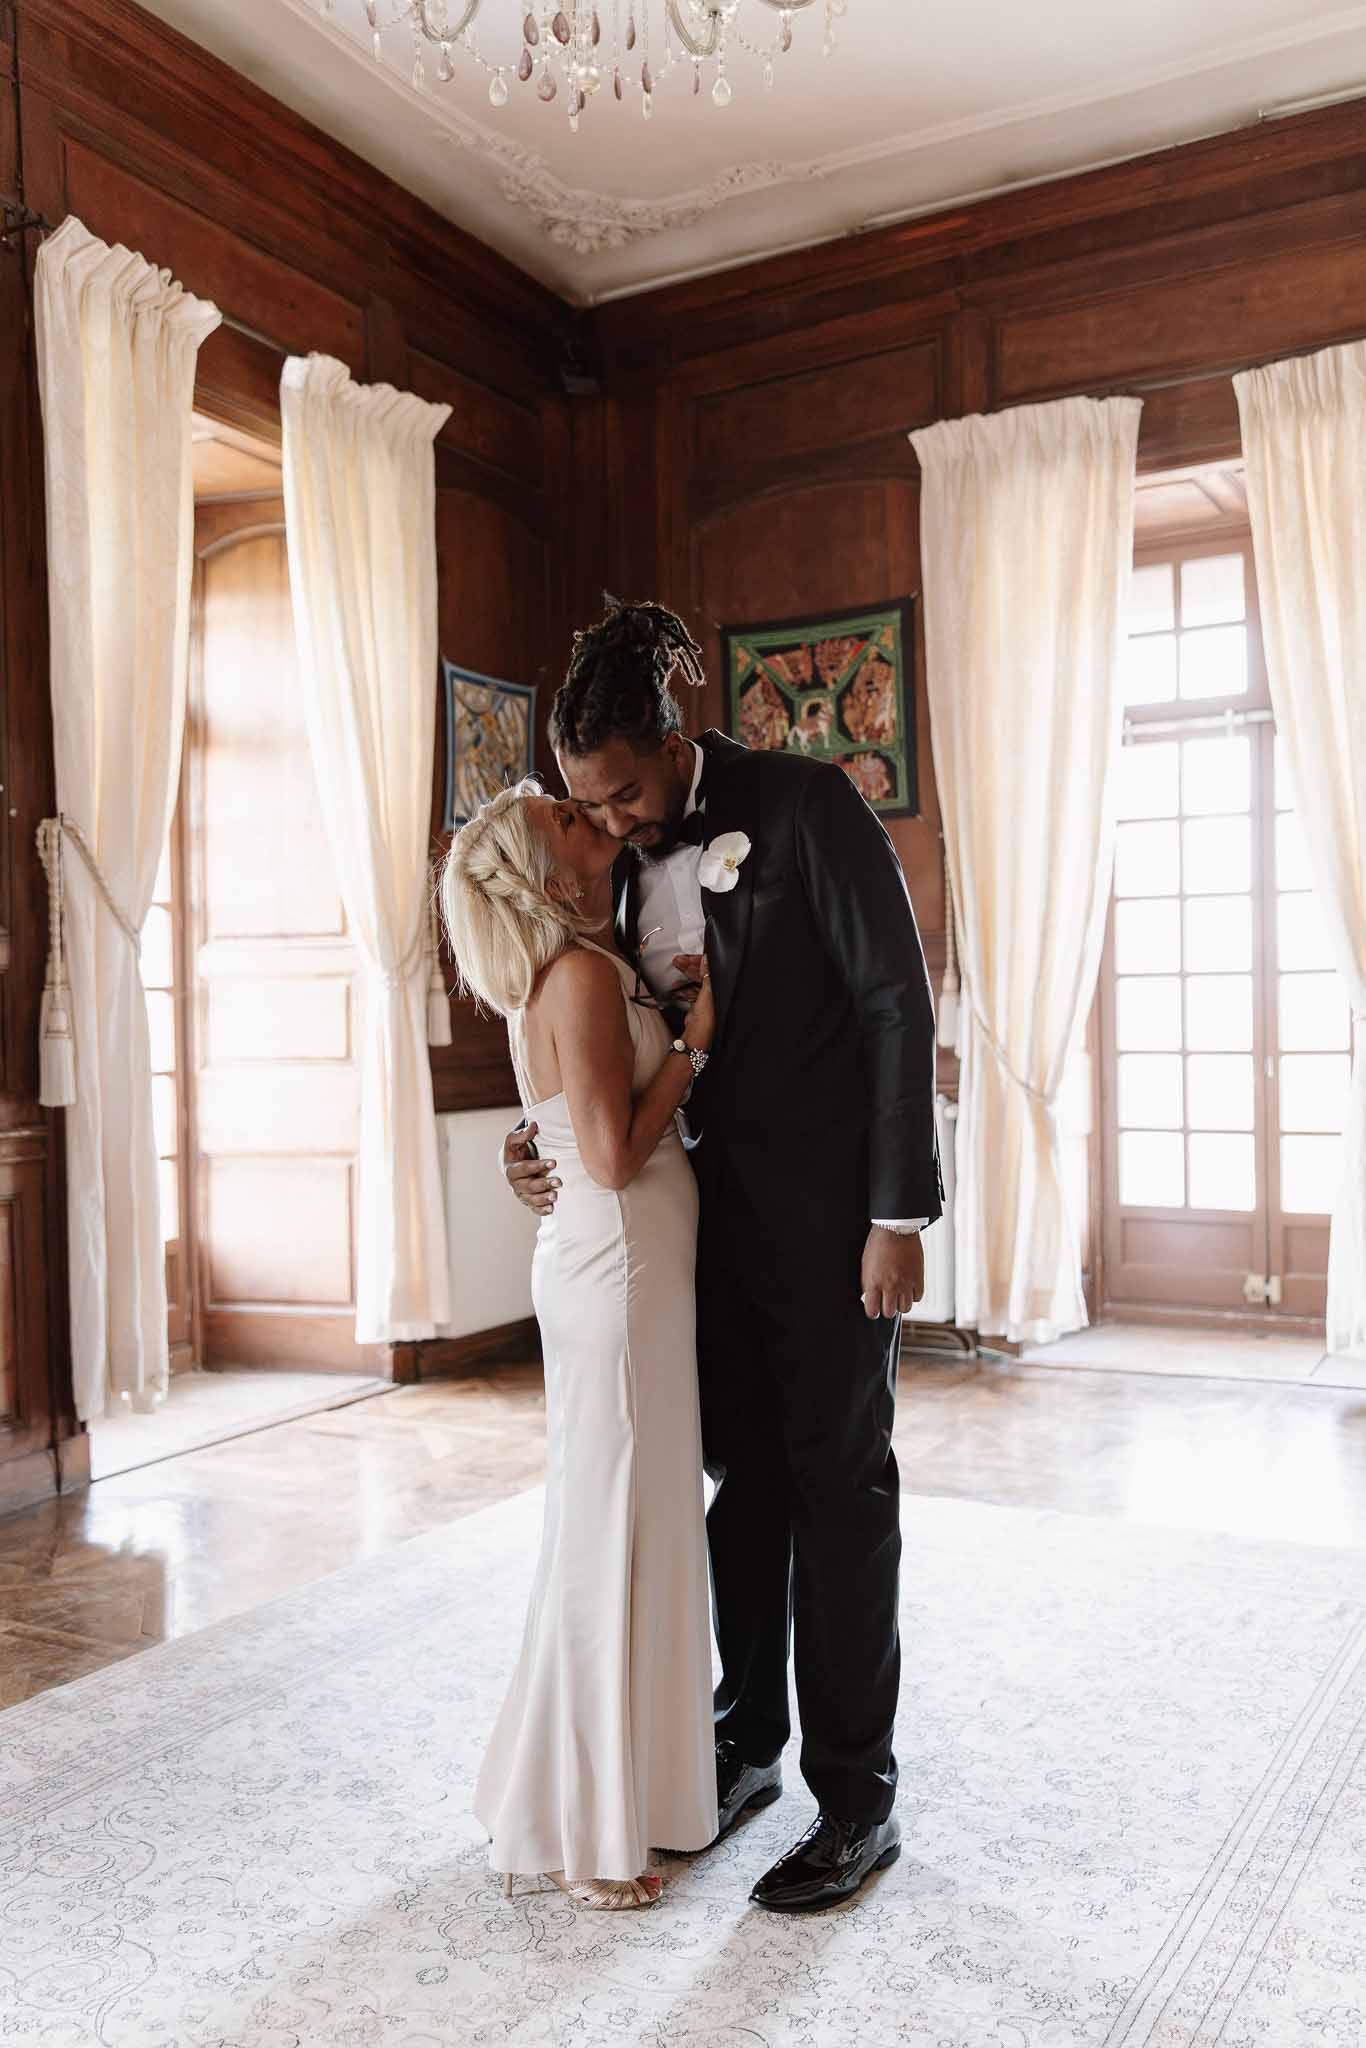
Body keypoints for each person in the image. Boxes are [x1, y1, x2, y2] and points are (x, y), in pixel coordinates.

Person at [504, 598, 943, 1914]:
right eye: (588, 801)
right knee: (739, 1489)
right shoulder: (609, 870)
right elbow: (599, 1051)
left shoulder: (808, 808)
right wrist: (533, 1144)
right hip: (695, 1237)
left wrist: (895, 1216)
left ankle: (855, 1800)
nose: (614, 819)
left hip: (830, 1227)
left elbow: (893, 1001)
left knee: (838, 1494)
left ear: (672, 736)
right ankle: (743, 1741)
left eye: (626, 791)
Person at [441, 777, 719, 1911]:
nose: (585, 813)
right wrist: (694, 1044)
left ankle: (610, 1794)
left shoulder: (583, 969)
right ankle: (590, 1834)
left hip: (623, 1274)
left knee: (625, 1528)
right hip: (619, 1274)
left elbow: (571, 1127)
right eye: (562, 817)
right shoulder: (579, 977)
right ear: (545, 875)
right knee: (611, 1536)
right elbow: (607, 1157)